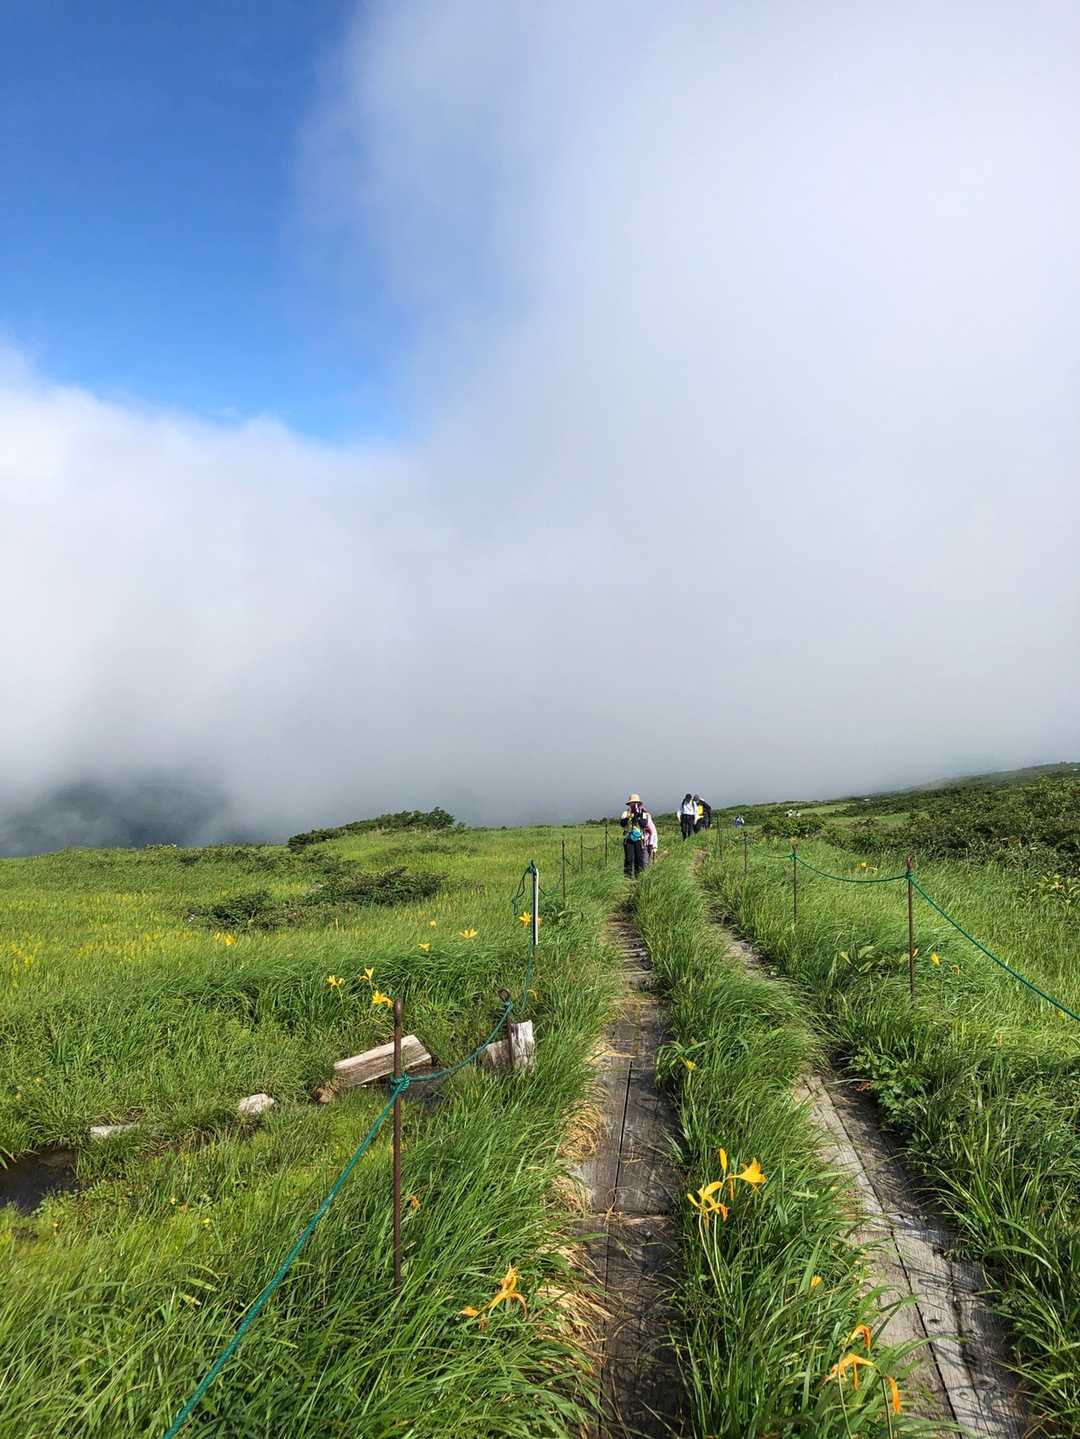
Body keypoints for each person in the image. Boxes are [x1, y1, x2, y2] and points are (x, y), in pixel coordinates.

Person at [620, 794, 647, 877]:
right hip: (628, 839)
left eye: (636, 803)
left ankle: (638, 877)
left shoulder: (643, 813)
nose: (634, 804)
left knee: (639, 859)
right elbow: (622, 824)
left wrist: (638, 816)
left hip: (639, 839)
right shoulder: (625, 813)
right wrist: (629, 816)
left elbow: (643, 824)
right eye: (633, 803)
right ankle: (627, 877)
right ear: (629, 804)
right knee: (629, 859)